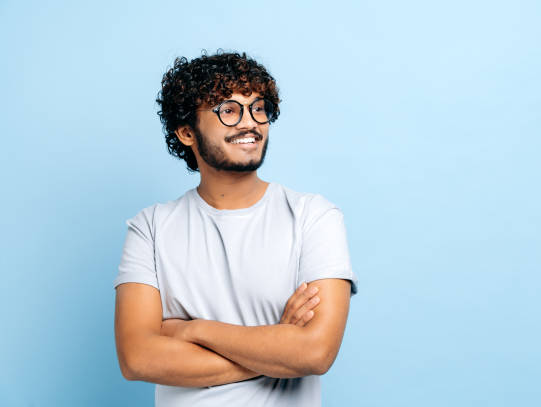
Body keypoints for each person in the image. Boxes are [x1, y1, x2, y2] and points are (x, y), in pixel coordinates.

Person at [113, 51, 359, 406]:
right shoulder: (149, 228)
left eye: (259, 108)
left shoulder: (313, 216)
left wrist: (191, 329)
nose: (251, 122)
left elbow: (315, 353)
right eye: (228, 110)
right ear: (186, 132)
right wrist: (277, 345)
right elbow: (137, 359)